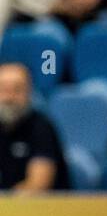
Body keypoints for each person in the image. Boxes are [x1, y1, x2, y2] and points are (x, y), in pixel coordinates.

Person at [0, 63, 69, 193]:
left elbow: (37, 187)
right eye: (3, 89)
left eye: (17, 89)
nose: (9, 98)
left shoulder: (41, 127)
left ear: (29, 92)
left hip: (43, 210)